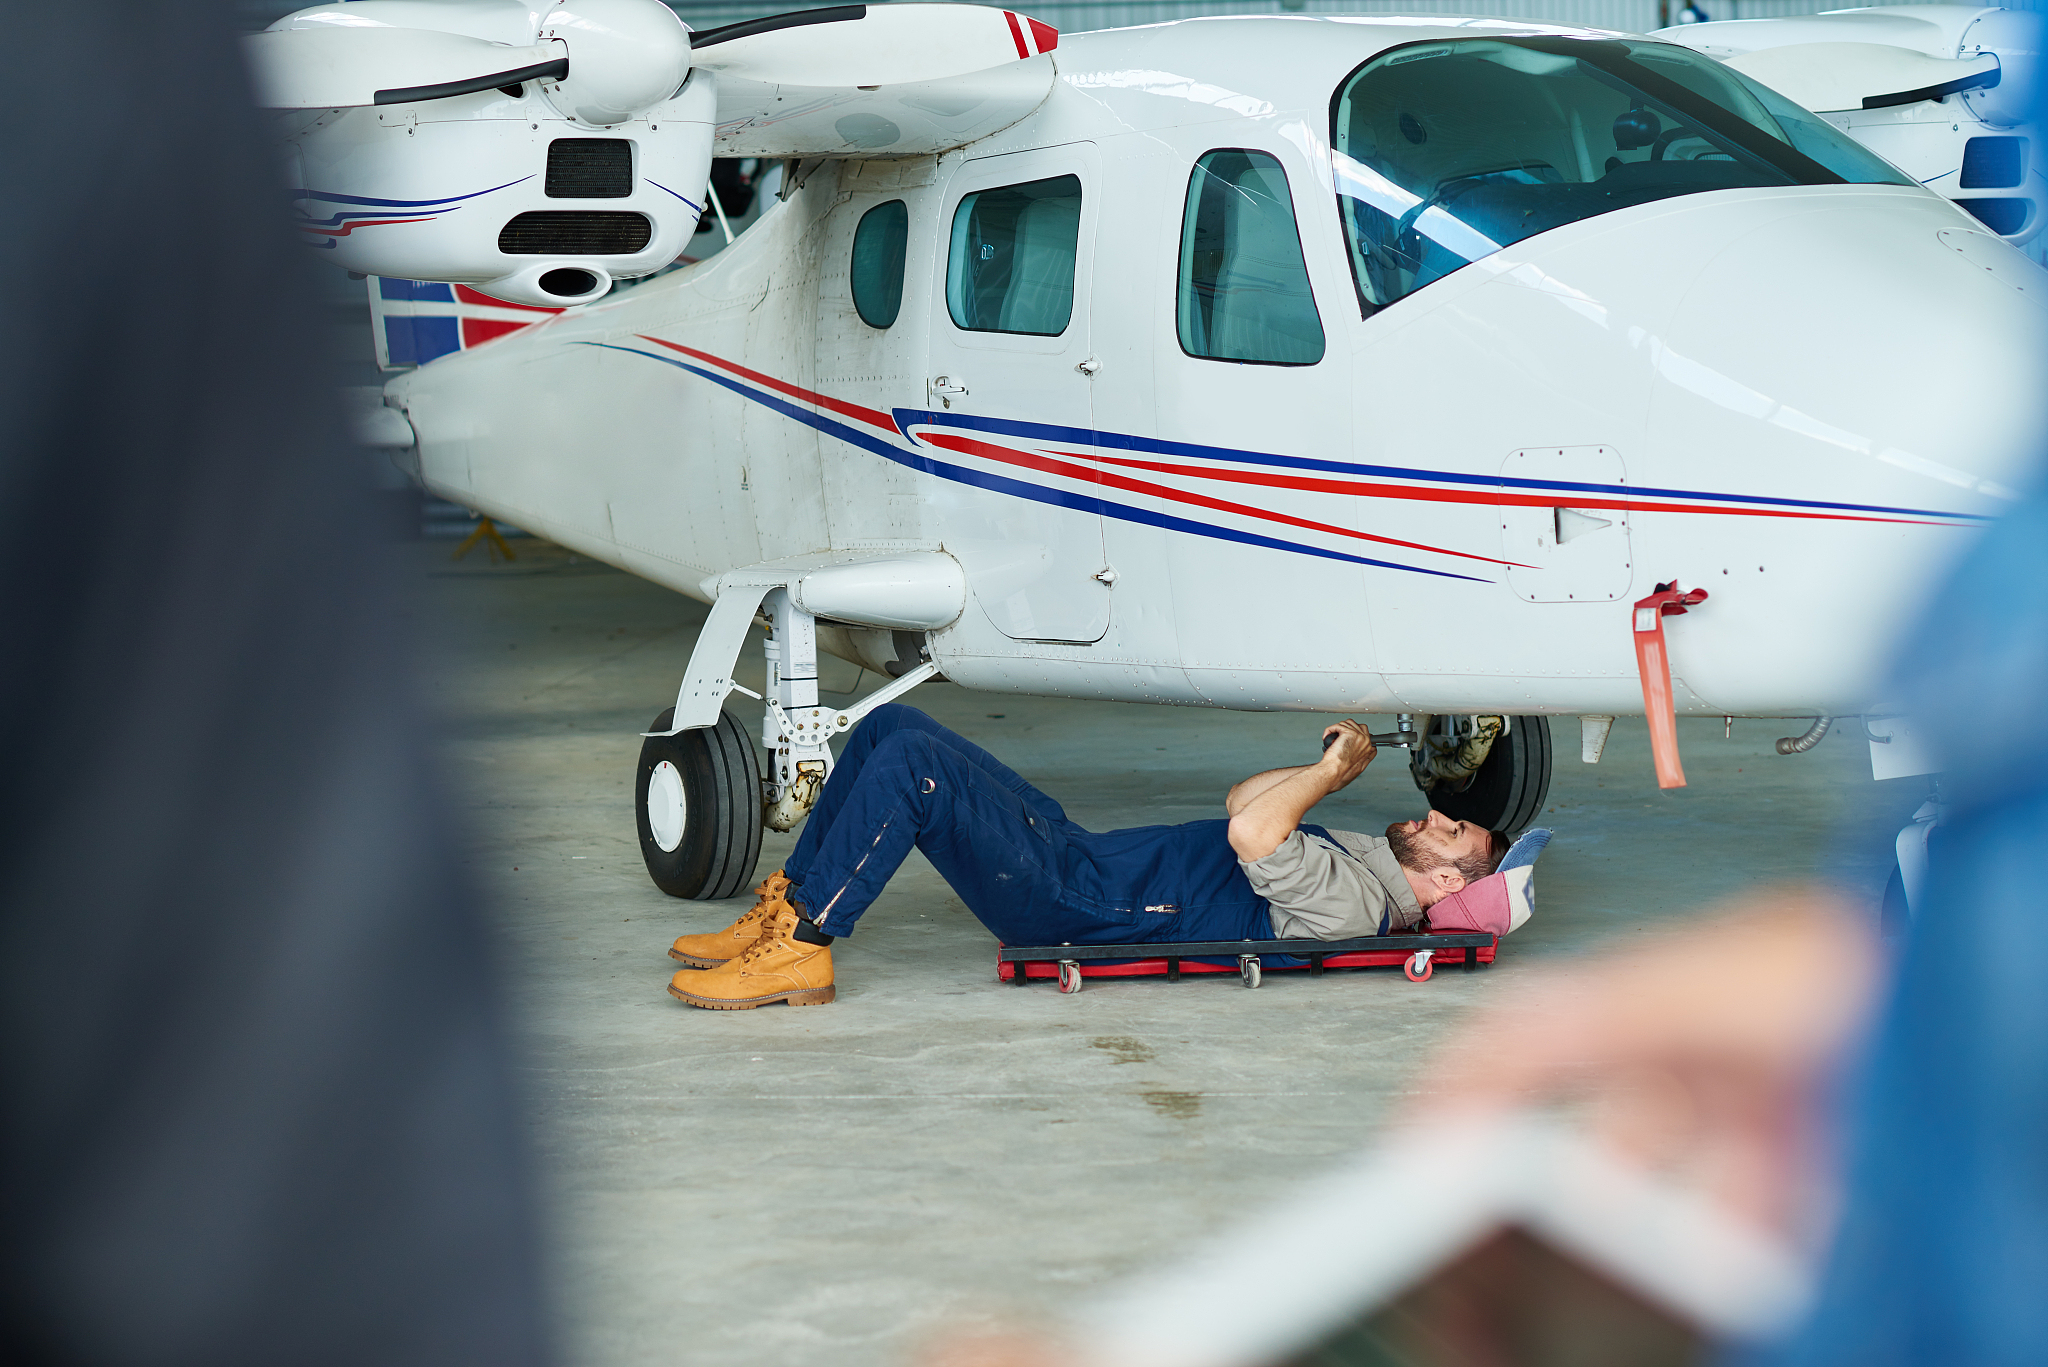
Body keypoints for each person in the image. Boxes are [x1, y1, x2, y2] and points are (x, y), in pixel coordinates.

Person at [665, 704, 1508, 1010]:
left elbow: (1255, 835)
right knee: (895, 729)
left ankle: (804, 948)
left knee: (914, 775)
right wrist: (1327, 768)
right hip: (1083, 856)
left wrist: (1327, 778)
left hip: (1080, 901)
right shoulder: (1363, 857)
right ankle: (787, 899)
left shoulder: (1359, 908)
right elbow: (1242, 800)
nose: (1438, 813)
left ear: (1442, 882)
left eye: (1454, 834)